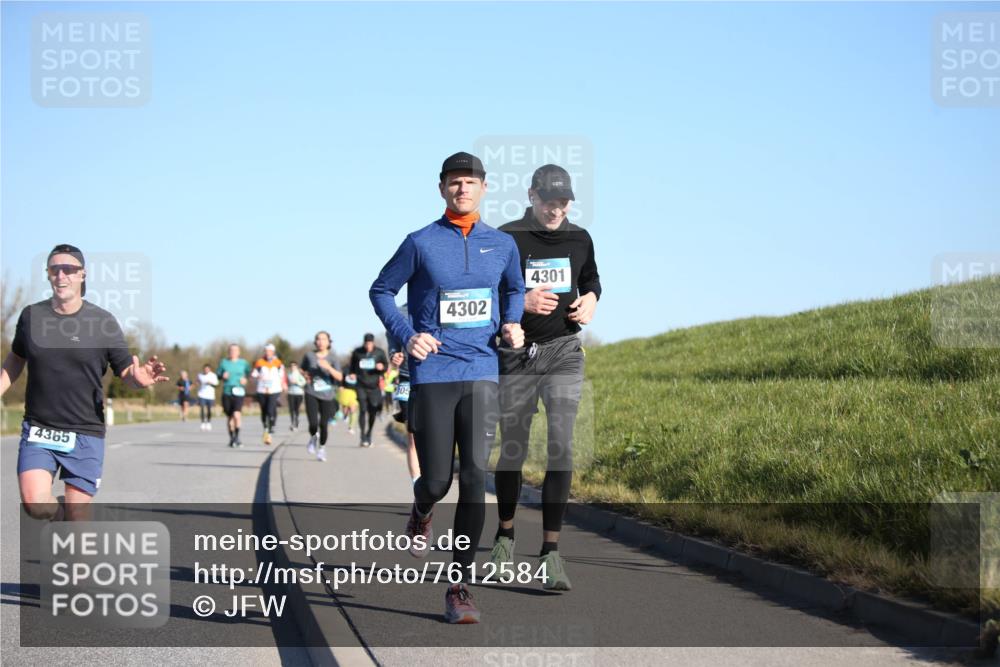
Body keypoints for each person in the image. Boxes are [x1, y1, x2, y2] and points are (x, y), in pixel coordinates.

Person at [371, 151, 525, 623]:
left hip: (481, 369)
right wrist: (407, 334)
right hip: (434, 373)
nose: (462, 189)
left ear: (483, 188)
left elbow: (513, 289)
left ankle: (459, 587)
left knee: (476, 480)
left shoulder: (501, 245)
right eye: (454, 183)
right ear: (442, 189)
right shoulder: (420, 242)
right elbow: (380, 290)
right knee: (437, 480)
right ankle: (421, 510)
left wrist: (512, 324)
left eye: (470, 182)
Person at [491, 164, 602, 591]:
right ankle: (504, 537)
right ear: (532, 195)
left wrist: (591, 299)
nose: (557, 209)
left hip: (564, 353)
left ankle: (550, 552)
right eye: (549, 200)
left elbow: (591, 278)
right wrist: (520, 303)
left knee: (561, 446)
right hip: (518, 356)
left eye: (564, 201)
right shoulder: (507, 237)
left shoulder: (580, 238)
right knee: (514, 449)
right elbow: (490, 291)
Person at [0, 243, 168, 521]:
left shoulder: (102, 322)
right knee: (34, 504)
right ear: (48, 274)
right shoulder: (32, 317)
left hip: (85, 431)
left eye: (69, 269)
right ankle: (61, 511)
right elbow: (16, 359)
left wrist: (139, 379)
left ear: (83, 275)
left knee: (78, 523)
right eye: (55, 269)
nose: (61, 275)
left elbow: (126, 371)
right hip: (40, 427)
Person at [386, 303, 420, 484]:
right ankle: (417, 486)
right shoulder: (400, 312)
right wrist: (393, 354)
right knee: (413, 436)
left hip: (435, 378)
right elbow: (392, 341)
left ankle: (431, 480)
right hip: (407, 378)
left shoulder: (439, 302)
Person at [300, 331, 343, 462]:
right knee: (313, 423)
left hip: (328, 395)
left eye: (323, 339)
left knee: (323, 424)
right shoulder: (309, 356)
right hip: (311, 392)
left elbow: (340, 377)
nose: (320, 342)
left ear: (329, 342)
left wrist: (328, 367)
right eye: (318, 339)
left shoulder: (333, 357)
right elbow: (302, 369)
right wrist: (305, 375)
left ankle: (322, 448)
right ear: (315, 342)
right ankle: (313, 438)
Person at [347, 333, 388, 447]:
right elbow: (351, 367)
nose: (368, 346)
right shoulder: (357, 352)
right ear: (363, 343)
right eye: (366, 343)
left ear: (373, 343)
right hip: (361, 385)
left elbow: (386, 366)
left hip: (374, 386)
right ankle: (362, 436)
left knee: (372, 411)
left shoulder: (379, 352)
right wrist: (352, 374)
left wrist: (382, 367)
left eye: (369, 343)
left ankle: (369, 433)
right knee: (363, 410)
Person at [217, 344, 252, 448]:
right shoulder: (224, 362)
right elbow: (218, 375)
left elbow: (249, 374)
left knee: (237, 415)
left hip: (239, 391)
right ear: (229, 352)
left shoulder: (243, 363)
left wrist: (245, 379)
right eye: (231, 350)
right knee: (230, 417)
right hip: (227, 391)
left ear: (239, 352)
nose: (233, 352)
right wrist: (222, 376)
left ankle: (237, 438)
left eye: (235, 350)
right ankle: (232, 438)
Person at [253, 343, 286, 445]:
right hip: (262, 390)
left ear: (273, 352)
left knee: (271, 410)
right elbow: (254, 373)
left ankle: (270, 431)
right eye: (266, 351)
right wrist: (257, 376)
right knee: (264, 411)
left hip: (274, 390)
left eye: (270, 351)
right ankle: (265, 428)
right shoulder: (259, 362)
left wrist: (284, 384)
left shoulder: (278, 363)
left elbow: (282, 375)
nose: (268, 353)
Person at [196, 363, 218, 431]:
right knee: (202, 408)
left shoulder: (213, 375)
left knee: (209, 410)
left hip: (210, 395)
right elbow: (197, 382)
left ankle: (208, 422)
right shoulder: (200, 375)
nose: (206, 370)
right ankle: (202, 423)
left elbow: (216, 385)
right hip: (202, 394)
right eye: (205, 369)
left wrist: (210, 383)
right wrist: (197, 382)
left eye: (207, 369)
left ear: (210, 369)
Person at [286, 361, 307, 431]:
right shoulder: (289, 374)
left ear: (296, 367)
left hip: (299, 393)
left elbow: (304, 382)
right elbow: (286, 383)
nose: (292, 367)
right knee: (291, 409)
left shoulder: (299, 374)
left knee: (296, 409)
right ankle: (292, 423)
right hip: (290, 393)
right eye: (291, 366)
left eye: (294, 366)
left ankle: (296, 422)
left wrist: (297, 382)